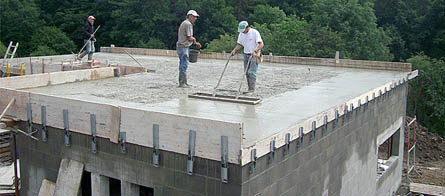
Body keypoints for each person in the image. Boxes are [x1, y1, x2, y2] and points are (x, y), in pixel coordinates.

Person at [230, 21, 264, 93]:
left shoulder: (254, 32)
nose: (242, 32)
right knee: (246, 72)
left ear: (247, 27)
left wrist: (255, 50)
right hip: (246, 54)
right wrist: (234, 50)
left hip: (254, 55)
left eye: (244, 30)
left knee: (251, 72)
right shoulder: (241, 34)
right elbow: (240, 44)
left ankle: (252, 90)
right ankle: (249, 89)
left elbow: (261, 44)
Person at [176, 10, 201, 87]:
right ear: (189, 16)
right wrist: (196, 43)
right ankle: (182, 83)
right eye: (194, 17)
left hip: (181, 46)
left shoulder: (185, 23)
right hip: (183, 47)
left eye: (196, 17)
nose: (195, 18)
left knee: (183, 63)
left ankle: (184, 82)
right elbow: (189, 37)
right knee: (184, 64)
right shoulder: (188, 24)